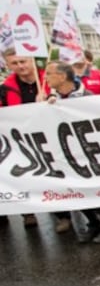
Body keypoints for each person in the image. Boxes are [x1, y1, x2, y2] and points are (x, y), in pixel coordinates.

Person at [43, 60, 100, 243]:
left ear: (62, 77)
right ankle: (93, 223)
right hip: (65, 154)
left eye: (49, 74)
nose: (45, 78)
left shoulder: (87, 97)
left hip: (90, 153)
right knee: (77, 190)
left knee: (98, 189)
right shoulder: (50, 99)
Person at [1, 48, 46, 228]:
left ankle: (63, 214)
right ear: (8, 65)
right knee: (21, 175)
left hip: (46, 136)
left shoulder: (47, 81)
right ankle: (27, 212)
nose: (20, 66)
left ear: (31, 61)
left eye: (23, 61)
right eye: (15, 63)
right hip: (18, 140)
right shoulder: (5, 89)